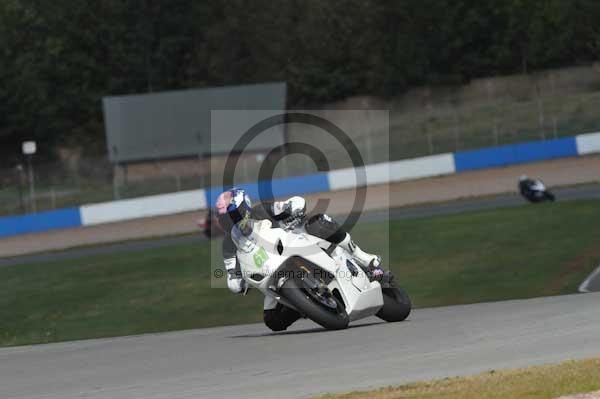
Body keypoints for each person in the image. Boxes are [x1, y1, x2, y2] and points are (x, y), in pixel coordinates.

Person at [215, 188, 382, 331]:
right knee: (272, 320)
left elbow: (293, 203)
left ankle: (364, 258)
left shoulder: (262, 211)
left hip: (296, 243)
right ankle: (308, 306)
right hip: (271, 268)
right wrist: (239, 282)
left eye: (232, 215)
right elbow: (232, 276)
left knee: (318, 223)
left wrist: (293, 209)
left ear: (245, 207)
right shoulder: (228, 245)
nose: (230, 221)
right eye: (224, 219)